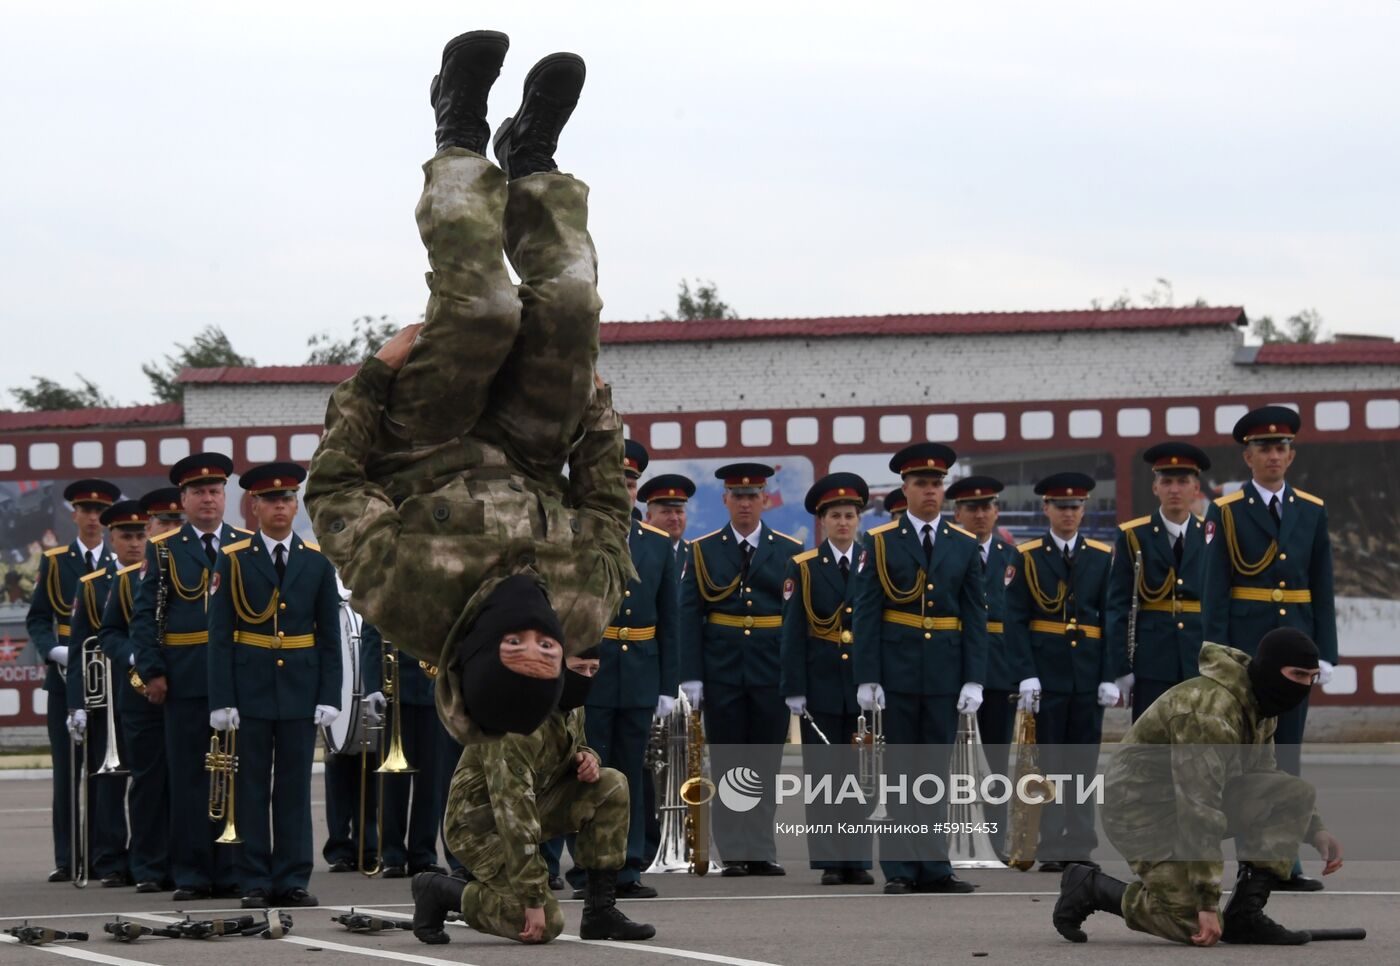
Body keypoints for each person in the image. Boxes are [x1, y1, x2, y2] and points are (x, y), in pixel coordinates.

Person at [304, 30, 633, 741]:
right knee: (573, 307)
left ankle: (458, 128)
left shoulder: (410, 601)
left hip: (426, 440)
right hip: (533, 445)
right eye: (545, 652)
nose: (535, 640)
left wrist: (375, 377)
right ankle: (532, 162)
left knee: (484, 307)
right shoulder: (584, 606)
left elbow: (333, 490)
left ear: (479, 652)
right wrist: (595, 405)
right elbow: (607, 508)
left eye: (516, 650)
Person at [1052, 630, 1345, 946]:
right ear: (1272, 669)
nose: (1303, 686)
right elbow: (1199, 806)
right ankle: (1090, 888)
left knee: (1292, 794)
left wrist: (1315, 829)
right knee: (1194, 923)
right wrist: (1207, 900)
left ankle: (1245, 916)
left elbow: (1267, 778)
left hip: (1184, 803)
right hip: (1139, 812)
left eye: (1311, 679)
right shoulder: (1208, 713)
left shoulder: (1258, 704)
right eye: (1297, 675)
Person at [410, 581, 655, 944]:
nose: (586, 678)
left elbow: (573, 748)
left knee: (610, 782)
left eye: (592, 670)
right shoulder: (518, 716)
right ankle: (441, 891)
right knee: (544, 925)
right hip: (479, 826)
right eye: (579, 668)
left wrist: (587, 758)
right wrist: (532, 896)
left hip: (527, 809)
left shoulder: (567, 704)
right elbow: (513, 812)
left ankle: (600, 912)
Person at [1202, 406, 1336, 891]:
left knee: (1288, 755)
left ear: (1291, 455)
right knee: (1246, 759)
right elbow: (1215, 588)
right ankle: (1252, 863)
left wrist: (1327, 652)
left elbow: (1323, 583)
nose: (1273, 455)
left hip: (1298, 652)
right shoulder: (1227, 511)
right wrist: (1216, 654)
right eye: (1264, 448)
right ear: (1248, 456)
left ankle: (1283, 862)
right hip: (1248, 652)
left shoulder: (1311, 509)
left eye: (1281, 448)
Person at [851, 444, 985, 895]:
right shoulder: (881, 540)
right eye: (922, 484)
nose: (931, 492)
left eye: (937, 484)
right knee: (900, 773)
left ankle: (935, 865)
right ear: (904, 489)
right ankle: (901, 868)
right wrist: (867, 676)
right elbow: (866, 611)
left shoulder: (963, 544)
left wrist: (974, 676)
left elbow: (975, 615)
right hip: (898, 671)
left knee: (934, 773)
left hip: (945, 671)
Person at [206, 462, 341, 908]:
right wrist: (222, 699)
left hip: (301, 689)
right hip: (251, 689)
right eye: (270, 500)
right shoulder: (233, 560)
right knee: (251, 789)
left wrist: (330, 694)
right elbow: (220, 636)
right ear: (254, 506)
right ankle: (255, 880)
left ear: (295, 504)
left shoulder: (316, 561)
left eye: (286, 499)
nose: (279, 507)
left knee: (294, 788)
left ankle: (293, 878)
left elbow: (328, 634)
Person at [125, 452, 247, 900]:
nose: (208, 499)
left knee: (235, 777)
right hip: (186, 678)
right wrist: (152, 670)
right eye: (198, 492)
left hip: (236, 678)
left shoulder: (244, 543)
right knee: (189, 779)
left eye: (215, 491)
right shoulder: (164, 548)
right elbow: (145, 616)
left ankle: (234, 869)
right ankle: (193, 874)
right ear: (184, 499)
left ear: (225, 496)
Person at [562, 440, 679, 899]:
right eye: (617, 481)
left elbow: (670, 618)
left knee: (630, 772)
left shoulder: (655, 543)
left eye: (631, 483)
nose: (625, 489)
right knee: (586, 769)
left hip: (640, 673)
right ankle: (585, 869)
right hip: (591, 670)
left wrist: (667, 685)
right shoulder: (578, 535)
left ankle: (626, 867)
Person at [679, 462, 804, 876]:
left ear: (765, 500)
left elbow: (795, 619)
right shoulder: (704, 550)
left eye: (753, 496)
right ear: (725, 501)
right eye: (738, 496)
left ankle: (762, 849)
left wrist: (794, 677)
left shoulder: (788, 550)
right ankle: (733, 850)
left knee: (766, 761)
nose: (746, 503)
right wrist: (692, 675)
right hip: (723, 669)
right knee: (731, 760)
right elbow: (689, 614)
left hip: (770, 669)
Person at [1003, 472, 1116, 872]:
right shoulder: (1028, 556)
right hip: (1046, 675)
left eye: (1075, 506)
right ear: (1046, 509)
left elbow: (1113, 618)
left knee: (1083, 765)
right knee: (1047, 764)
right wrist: (1025, 673)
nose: (1069, 513)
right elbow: (1014, 619)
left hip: (1087, 675)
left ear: (1084, 510)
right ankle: (1050, 844)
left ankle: (1080, 845)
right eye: (1061, 506)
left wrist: (1110, 673)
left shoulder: (1102, 556)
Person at [781, 472, 874, 885]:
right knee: (824, 776)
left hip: (860, 684)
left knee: (860, 774)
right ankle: (830, 861)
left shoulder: (874, 560)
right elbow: (793, 631)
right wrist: (794, 688)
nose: (842, 522)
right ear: (822, 521)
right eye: (835, 515)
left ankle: (857, 859)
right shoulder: (803, 566)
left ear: (859, 520)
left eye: (850, 515)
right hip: (819, 683)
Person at [27, 478, 119, 883]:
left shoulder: (120, 564)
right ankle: (69, 858)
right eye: (87, 510)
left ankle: (106, 856)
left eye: (101, 512)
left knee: (107, 769)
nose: (94, 518)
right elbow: (38, 618)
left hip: (111, 677)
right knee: (68, 772)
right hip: (66, 677)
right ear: (74, 515)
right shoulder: (55, 560)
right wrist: (54, 650)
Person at [95, 488, 181, 892]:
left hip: (191, 690)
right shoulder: (129, 580)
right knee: (148, 781)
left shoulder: (203, 568)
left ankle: (189, 863)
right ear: (151, 527)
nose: (168, 531)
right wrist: (137, 659)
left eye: (175, 523)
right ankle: (149, 867)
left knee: (192, 781)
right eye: (162, 524)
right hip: (141, 693)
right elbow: (110, 631)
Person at [64, 498, 147, 887]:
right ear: (111, 538)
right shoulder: (93, 586)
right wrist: (77, 704)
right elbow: (82, 649)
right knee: (109, 782)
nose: (134, 543)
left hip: (149, 695)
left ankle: (148, 855)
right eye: (126, 536)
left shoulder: (159, 577)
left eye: (140, 535)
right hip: (108, 699)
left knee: (149, 780)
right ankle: (110, 859)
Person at [946, 474, 1024, 857]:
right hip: (953, 665)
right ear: (957, 513)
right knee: (948, 762)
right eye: (971, 508)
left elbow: (1023, 619)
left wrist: (1025, 671)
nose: (980, 514)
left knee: (993, 760)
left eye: (986, 507)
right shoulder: (948, 552)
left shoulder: (1013, 558)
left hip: (999, 668)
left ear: (996, 511)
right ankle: (948, 839)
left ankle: (993, 840)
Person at [1107, 443, 1211, 722]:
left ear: (1195, 488)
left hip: (1200, 659)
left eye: (1182, 481)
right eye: (1166, 482)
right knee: (1152, 753)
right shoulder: (1133, 536)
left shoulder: (1213, 535)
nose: (1174, 489)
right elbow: (1118, 605)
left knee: (1199, 749)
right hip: (1152, 661)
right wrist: (1121, 667)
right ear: (1156, 488)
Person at [361, 622, 447, 878]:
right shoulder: (388, 583)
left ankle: (423, 854)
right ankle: (392, 854)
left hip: (435, 691)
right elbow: (371, 635)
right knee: (392, 782)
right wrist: (373, 685)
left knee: (431, 779)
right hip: (396, 689)